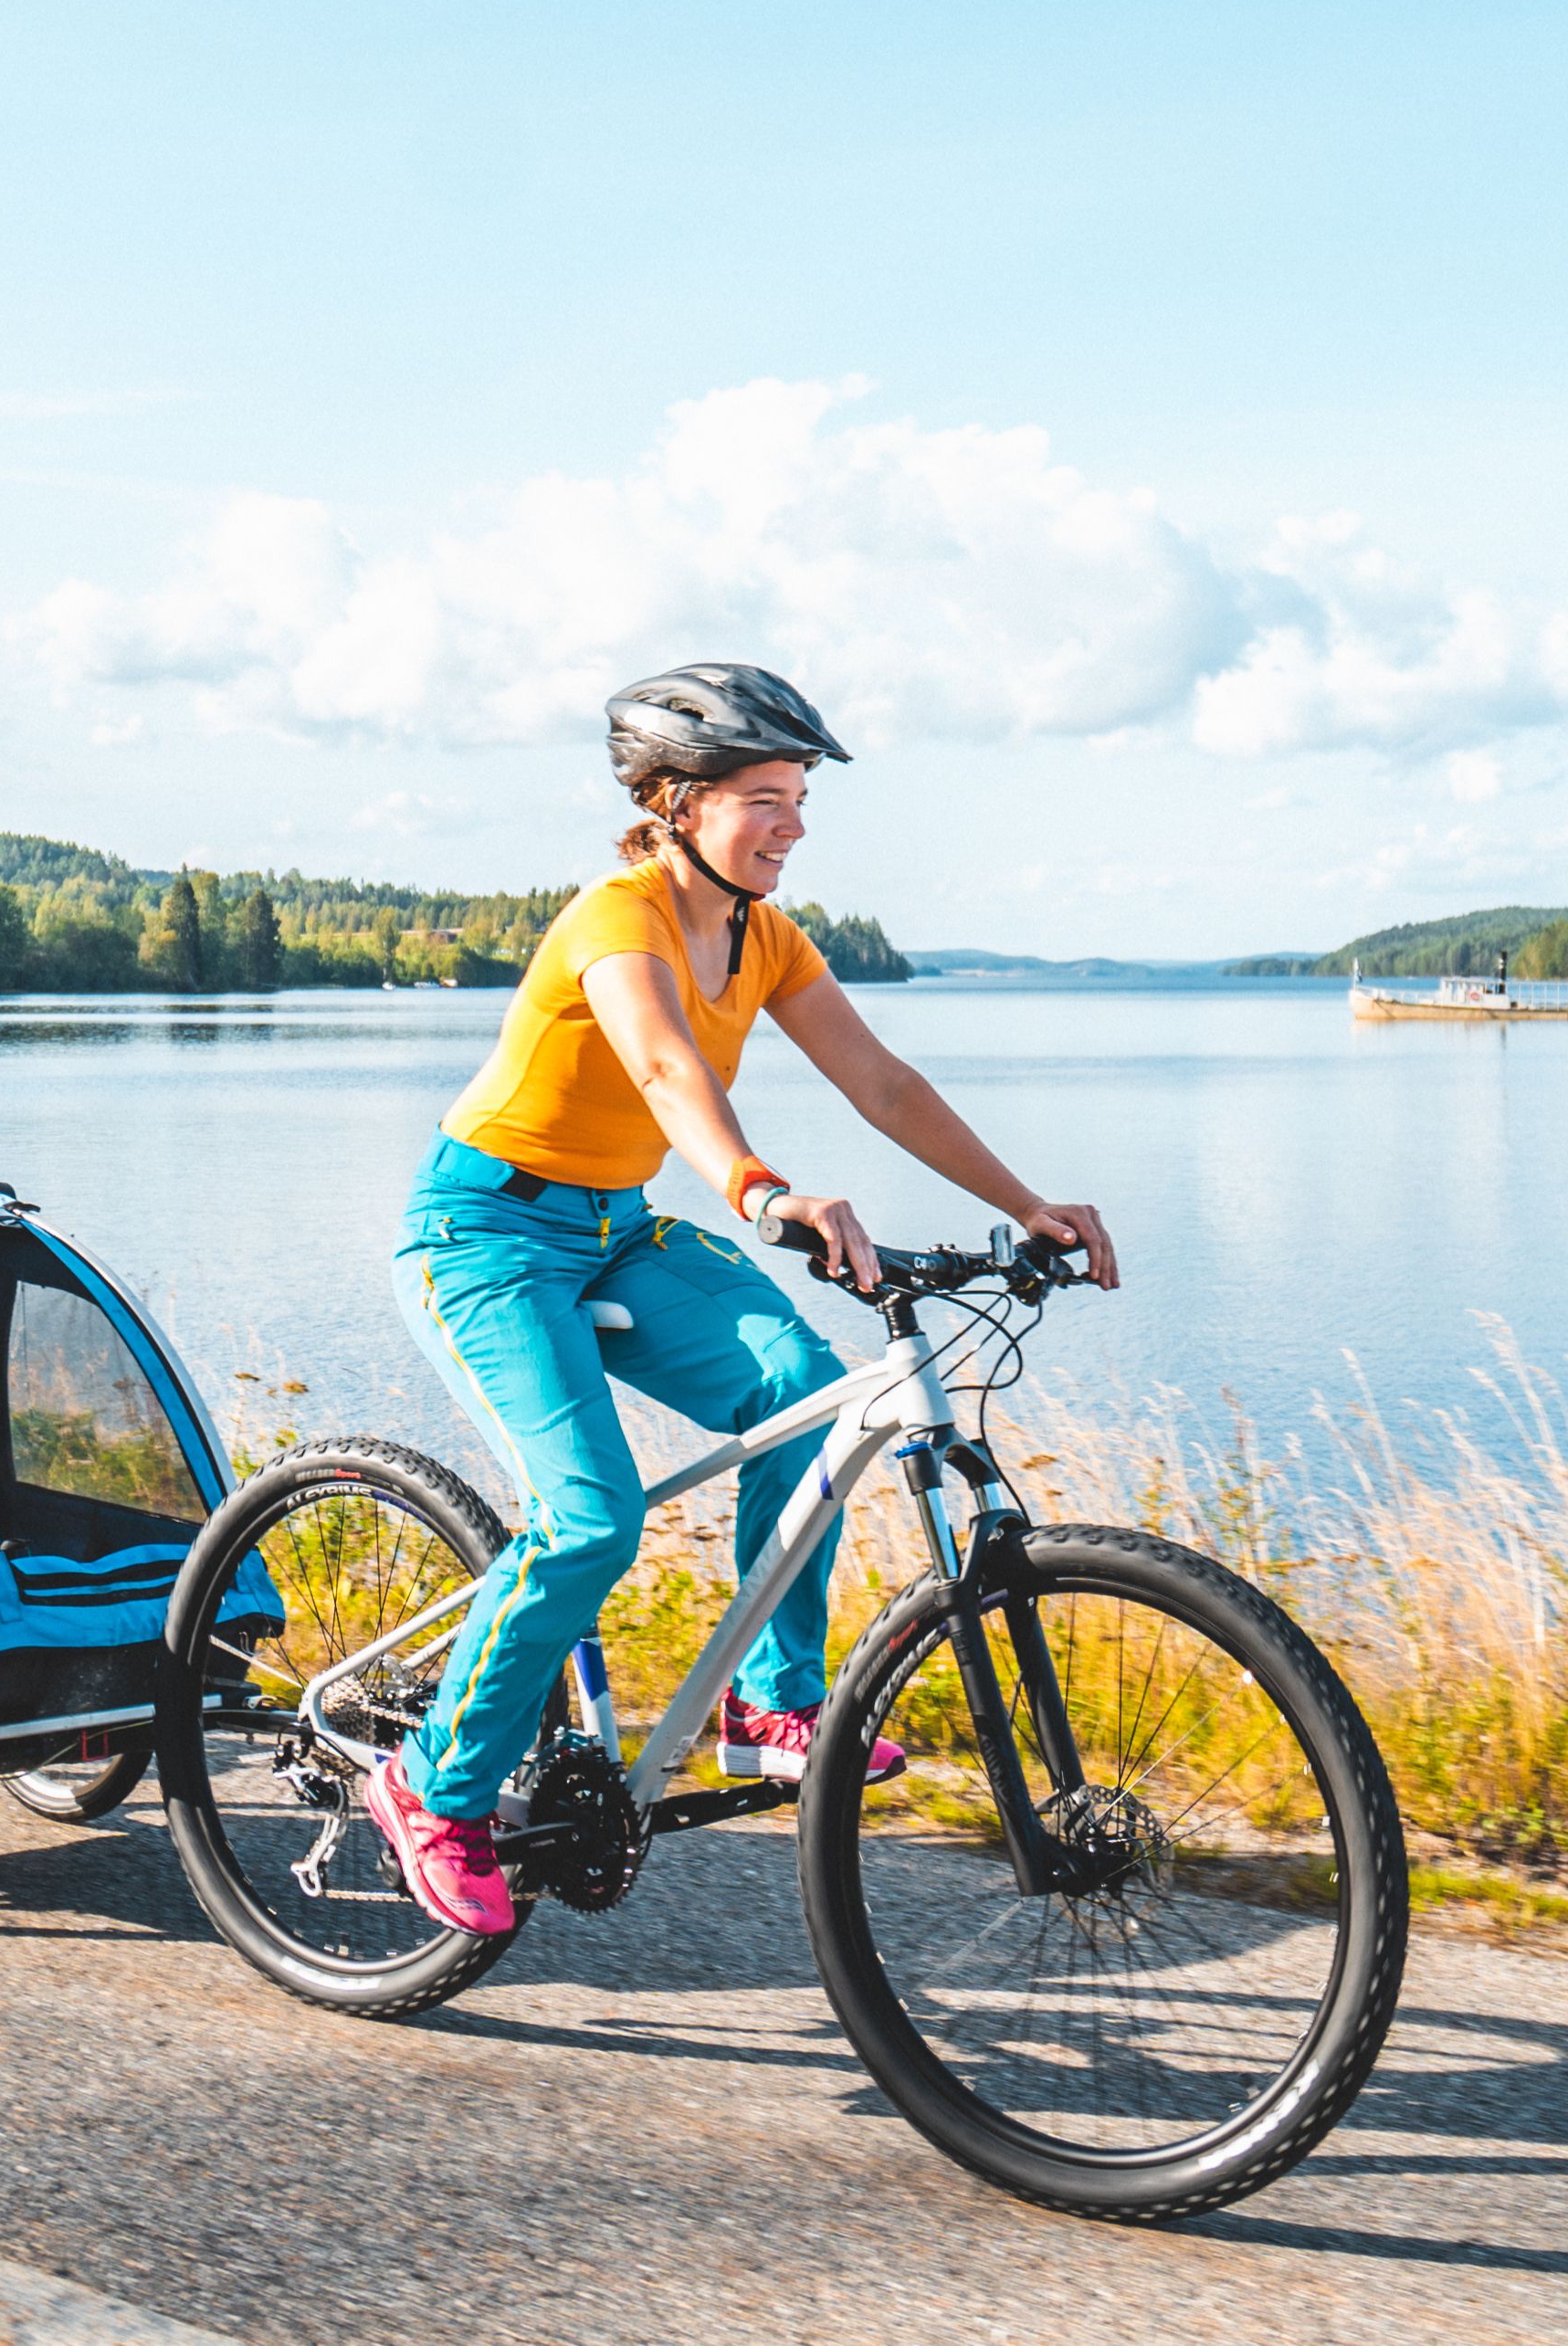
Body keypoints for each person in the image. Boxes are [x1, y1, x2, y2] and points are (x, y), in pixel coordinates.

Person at [355, 662, 1120, 1935]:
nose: (793, 824)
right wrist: (765, 1194)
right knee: (587, 1520)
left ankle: (768, 1706)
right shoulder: (618, 917)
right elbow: (661, 1065)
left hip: (612, 1225)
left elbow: (881, 1081)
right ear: (675, 800)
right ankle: (431, 1784)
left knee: (811, 1397)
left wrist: (1029, 1199)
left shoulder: (763, 934)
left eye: (799, 795)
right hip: (482, 1231)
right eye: (765, 796)